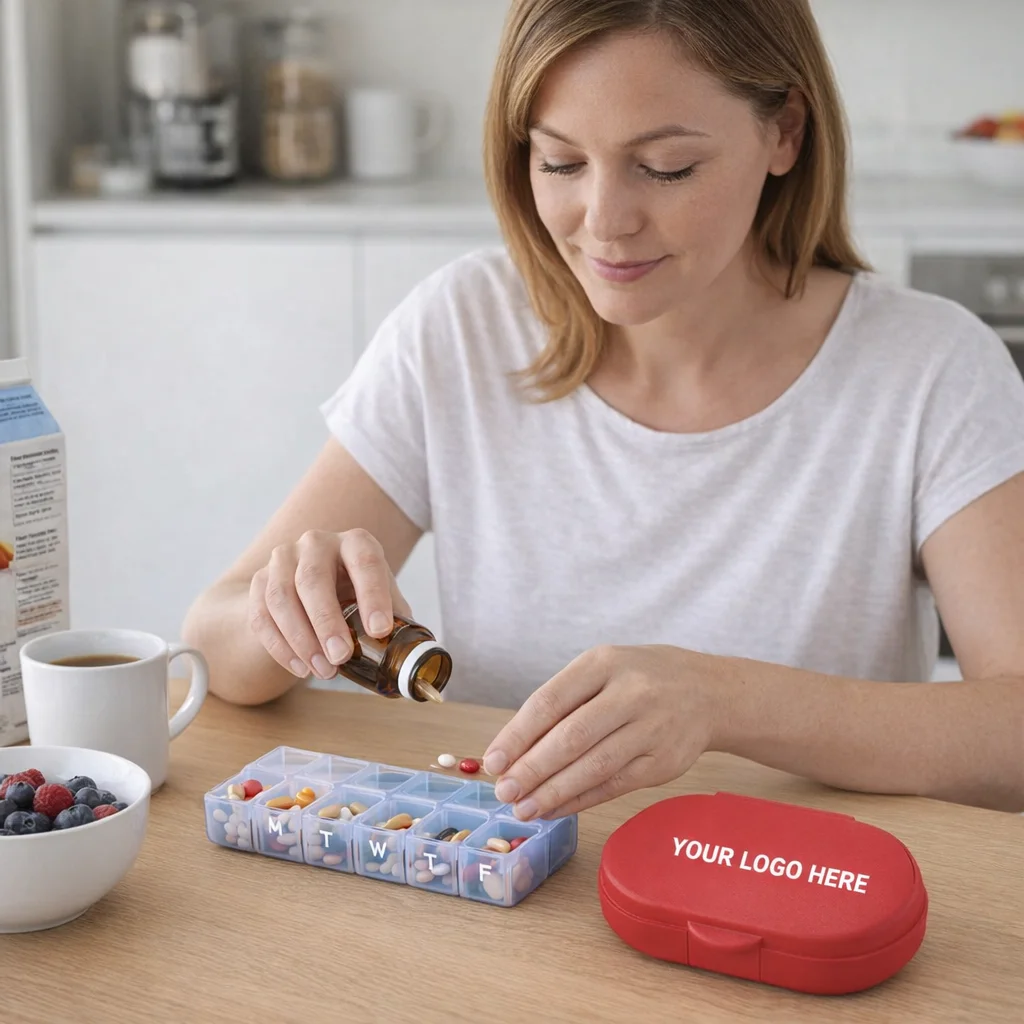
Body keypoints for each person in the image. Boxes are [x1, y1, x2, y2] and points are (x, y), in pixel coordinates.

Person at [183, 0, 1024, 819]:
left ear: (785, 133)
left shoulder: (930, 368)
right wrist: (290, 612)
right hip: (518, 893)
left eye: (666, 167)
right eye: (560, 163)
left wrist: (722, 700)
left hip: (797, 900)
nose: (605, 222)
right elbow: (215, 643)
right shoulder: (462, 327)